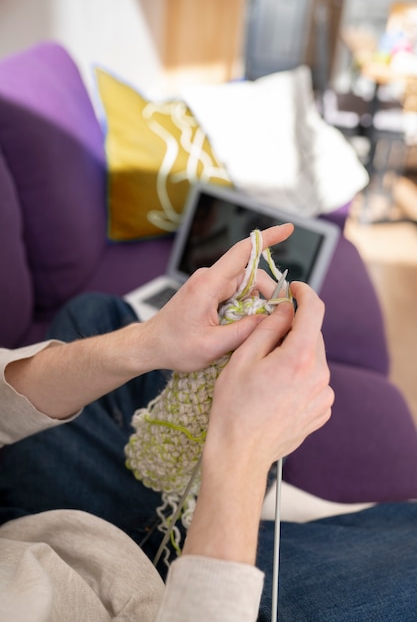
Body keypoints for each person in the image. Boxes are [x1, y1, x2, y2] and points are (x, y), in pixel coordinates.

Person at [1, 224, 417, 621]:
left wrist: (148, 344)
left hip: (25, 529)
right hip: (153, 601)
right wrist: (243, 451)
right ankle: (206, 516)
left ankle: (193, 502)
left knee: (95, 313)